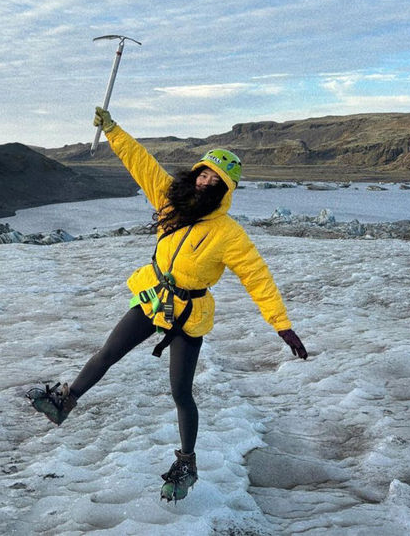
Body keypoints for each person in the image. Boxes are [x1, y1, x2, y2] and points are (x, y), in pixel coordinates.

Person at [27, 107, 308, 503]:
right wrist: (112, 130)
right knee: (107, 352)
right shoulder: (170, 199)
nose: (205, 180)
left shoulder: (228, 233)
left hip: (189, 314)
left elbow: (257, 278)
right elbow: (140, 161)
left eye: (215, 179)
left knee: (181, 393)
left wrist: (282, 324)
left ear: (224, 190)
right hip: (155, 297)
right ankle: (65, 401)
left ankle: (186, 463)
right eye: (203, 172)